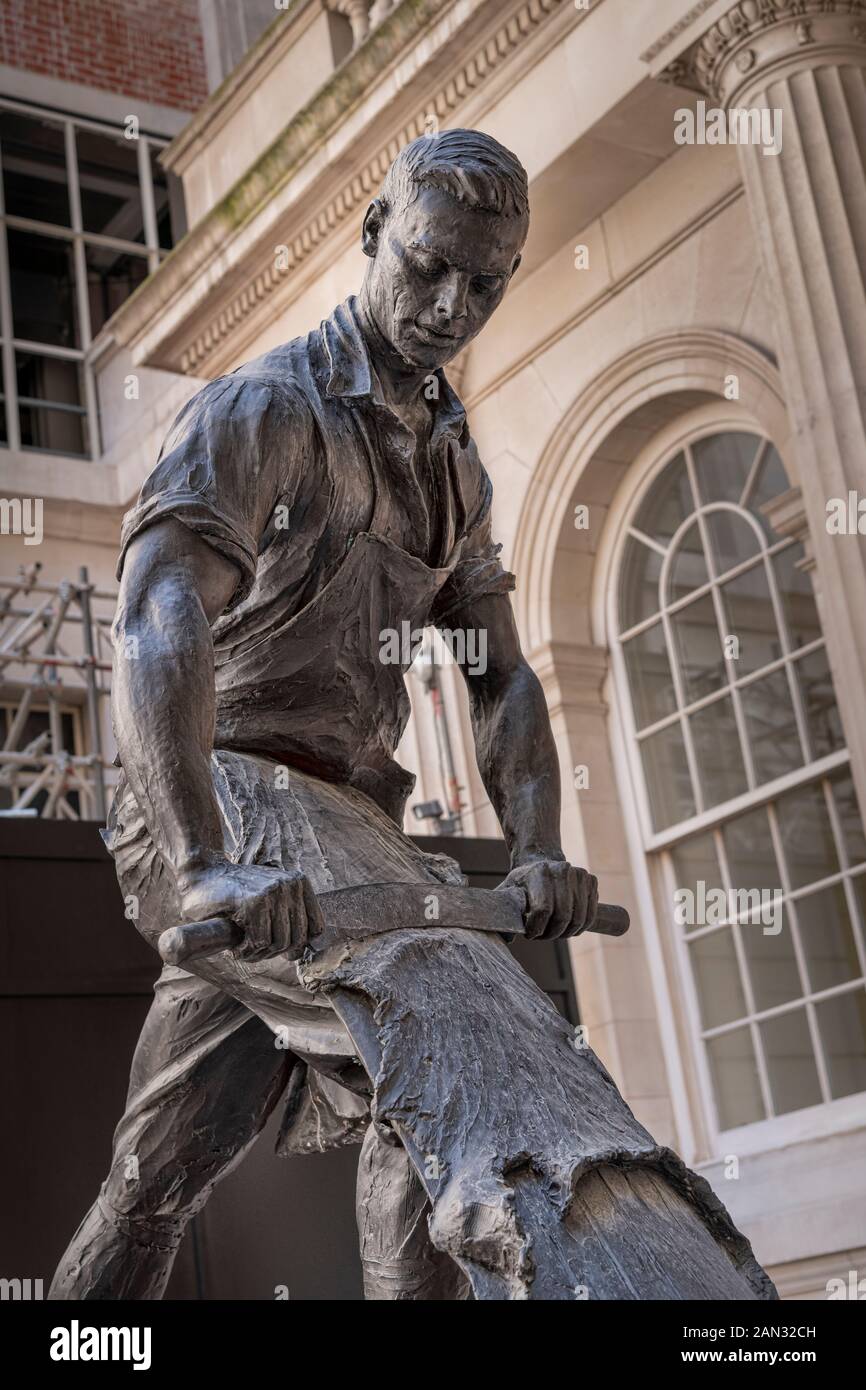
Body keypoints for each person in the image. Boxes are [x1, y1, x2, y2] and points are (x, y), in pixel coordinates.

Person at [50, 130, 774, 1301]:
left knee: (155, 1172)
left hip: (340, 832)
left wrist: (539, 845)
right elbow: (156, 612)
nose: (450, 306)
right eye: (428, 266)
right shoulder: (266, 408)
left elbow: (500, 678)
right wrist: (198, 864)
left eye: (485, 284)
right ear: (372, 235)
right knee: (437, 1027)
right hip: (219, 794)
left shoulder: (451, 464)